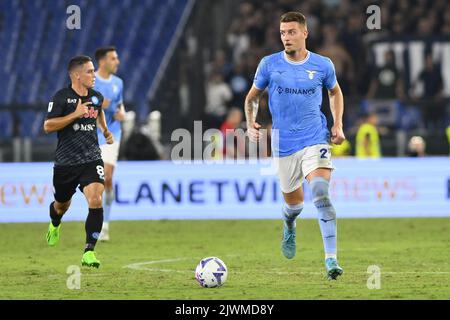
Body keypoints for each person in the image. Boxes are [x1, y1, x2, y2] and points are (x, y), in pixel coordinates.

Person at [245, 12, 345, 280]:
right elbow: (252, 97)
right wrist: (250, 121)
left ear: (304, 33)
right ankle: (289, 223)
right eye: (282, 33)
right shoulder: (269, 64)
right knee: (295, 206)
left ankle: (331, 260)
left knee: (321, 193)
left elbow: (335, 91)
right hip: (284, 144)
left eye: (291, 32)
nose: (286, 38)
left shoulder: (323, 65)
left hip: (315, 137)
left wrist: (338, 125)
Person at [43, 55, 113, 268]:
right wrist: (74, 114)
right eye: (90, 72)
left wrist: (105, 130)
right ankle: (55, 223)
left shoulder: (96, 97)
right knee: (61, 205)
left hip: (91, 159)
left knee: (96, 199)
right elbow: (48, 126)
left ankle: (89, 252)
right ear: (76, 75)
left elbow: (98, 112)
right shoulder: (61, 98)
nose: (94, 75)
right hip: (66, 163)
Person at [93, 46, 125, 241]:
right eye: (114, 58)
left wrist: (120, 112)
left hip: (112, 135)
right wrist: (97, 105)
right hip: (90, 136)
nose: (117, 62)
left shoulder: (118, 83)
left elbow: (119, 106)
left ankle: (105, 224)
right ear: (102, 61)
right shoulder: (91, 81)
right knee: (94, 183)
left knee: (107, 178)